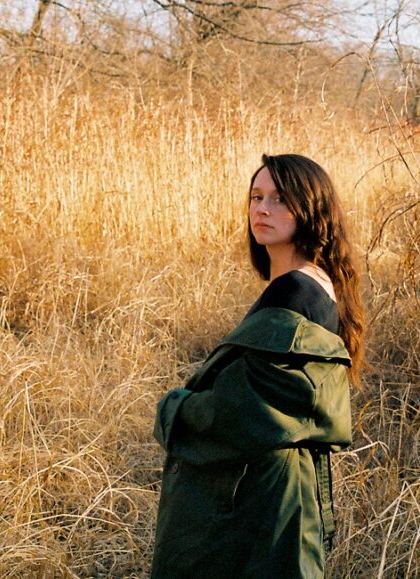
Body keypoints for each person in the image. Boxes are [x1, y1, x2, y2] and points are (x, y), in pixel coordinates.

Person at [151, 153, 366, 578]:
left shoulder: (295, 293)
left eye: (280, 199)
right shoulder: (315, 283)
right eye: (256, 196)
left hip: (263, 495)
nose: (262, 209)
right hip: (278, 485)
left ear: (310, 208)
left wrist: (173, 409)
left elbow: (245, 410)